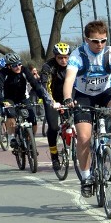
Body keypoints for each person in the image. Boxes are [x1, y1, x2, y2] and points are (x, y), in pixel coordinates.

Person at [62, 20, 111, 197]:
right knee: (83, 137)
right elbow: (69, 80)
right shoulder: (78, 55)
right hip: (83, 95)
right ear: (86, 40)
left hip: (105, 92)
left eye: (103, 40)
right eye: (95, 41)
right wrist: (67, 99)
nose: (100, 45)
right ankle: (87, 176)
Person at [0, 52, 54, 150]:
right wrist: (1, 100)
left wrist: (42, 96)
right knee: (11, 115)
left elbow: (34, 83)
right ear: (9, 66)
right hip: (9, 99)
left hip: (22, 98)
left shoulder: (24, 70)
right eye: (14, 65)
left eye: (19, 64)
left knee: (33, 120)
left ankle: (31, 140)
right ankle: (12, 137)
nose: (18, 67)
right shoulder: (3, 73)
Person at [38, 42, 71, 171]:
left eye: (66, 57)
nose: (63, 60)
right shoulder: (48, 67)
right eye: (60, 58)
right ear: (55, 57)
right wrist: (52, 102)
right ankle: (54, 155)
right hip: (52, 99)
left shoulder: (73, 65)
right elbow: (45, 86)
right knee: (53, 127)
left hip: (68, 98)